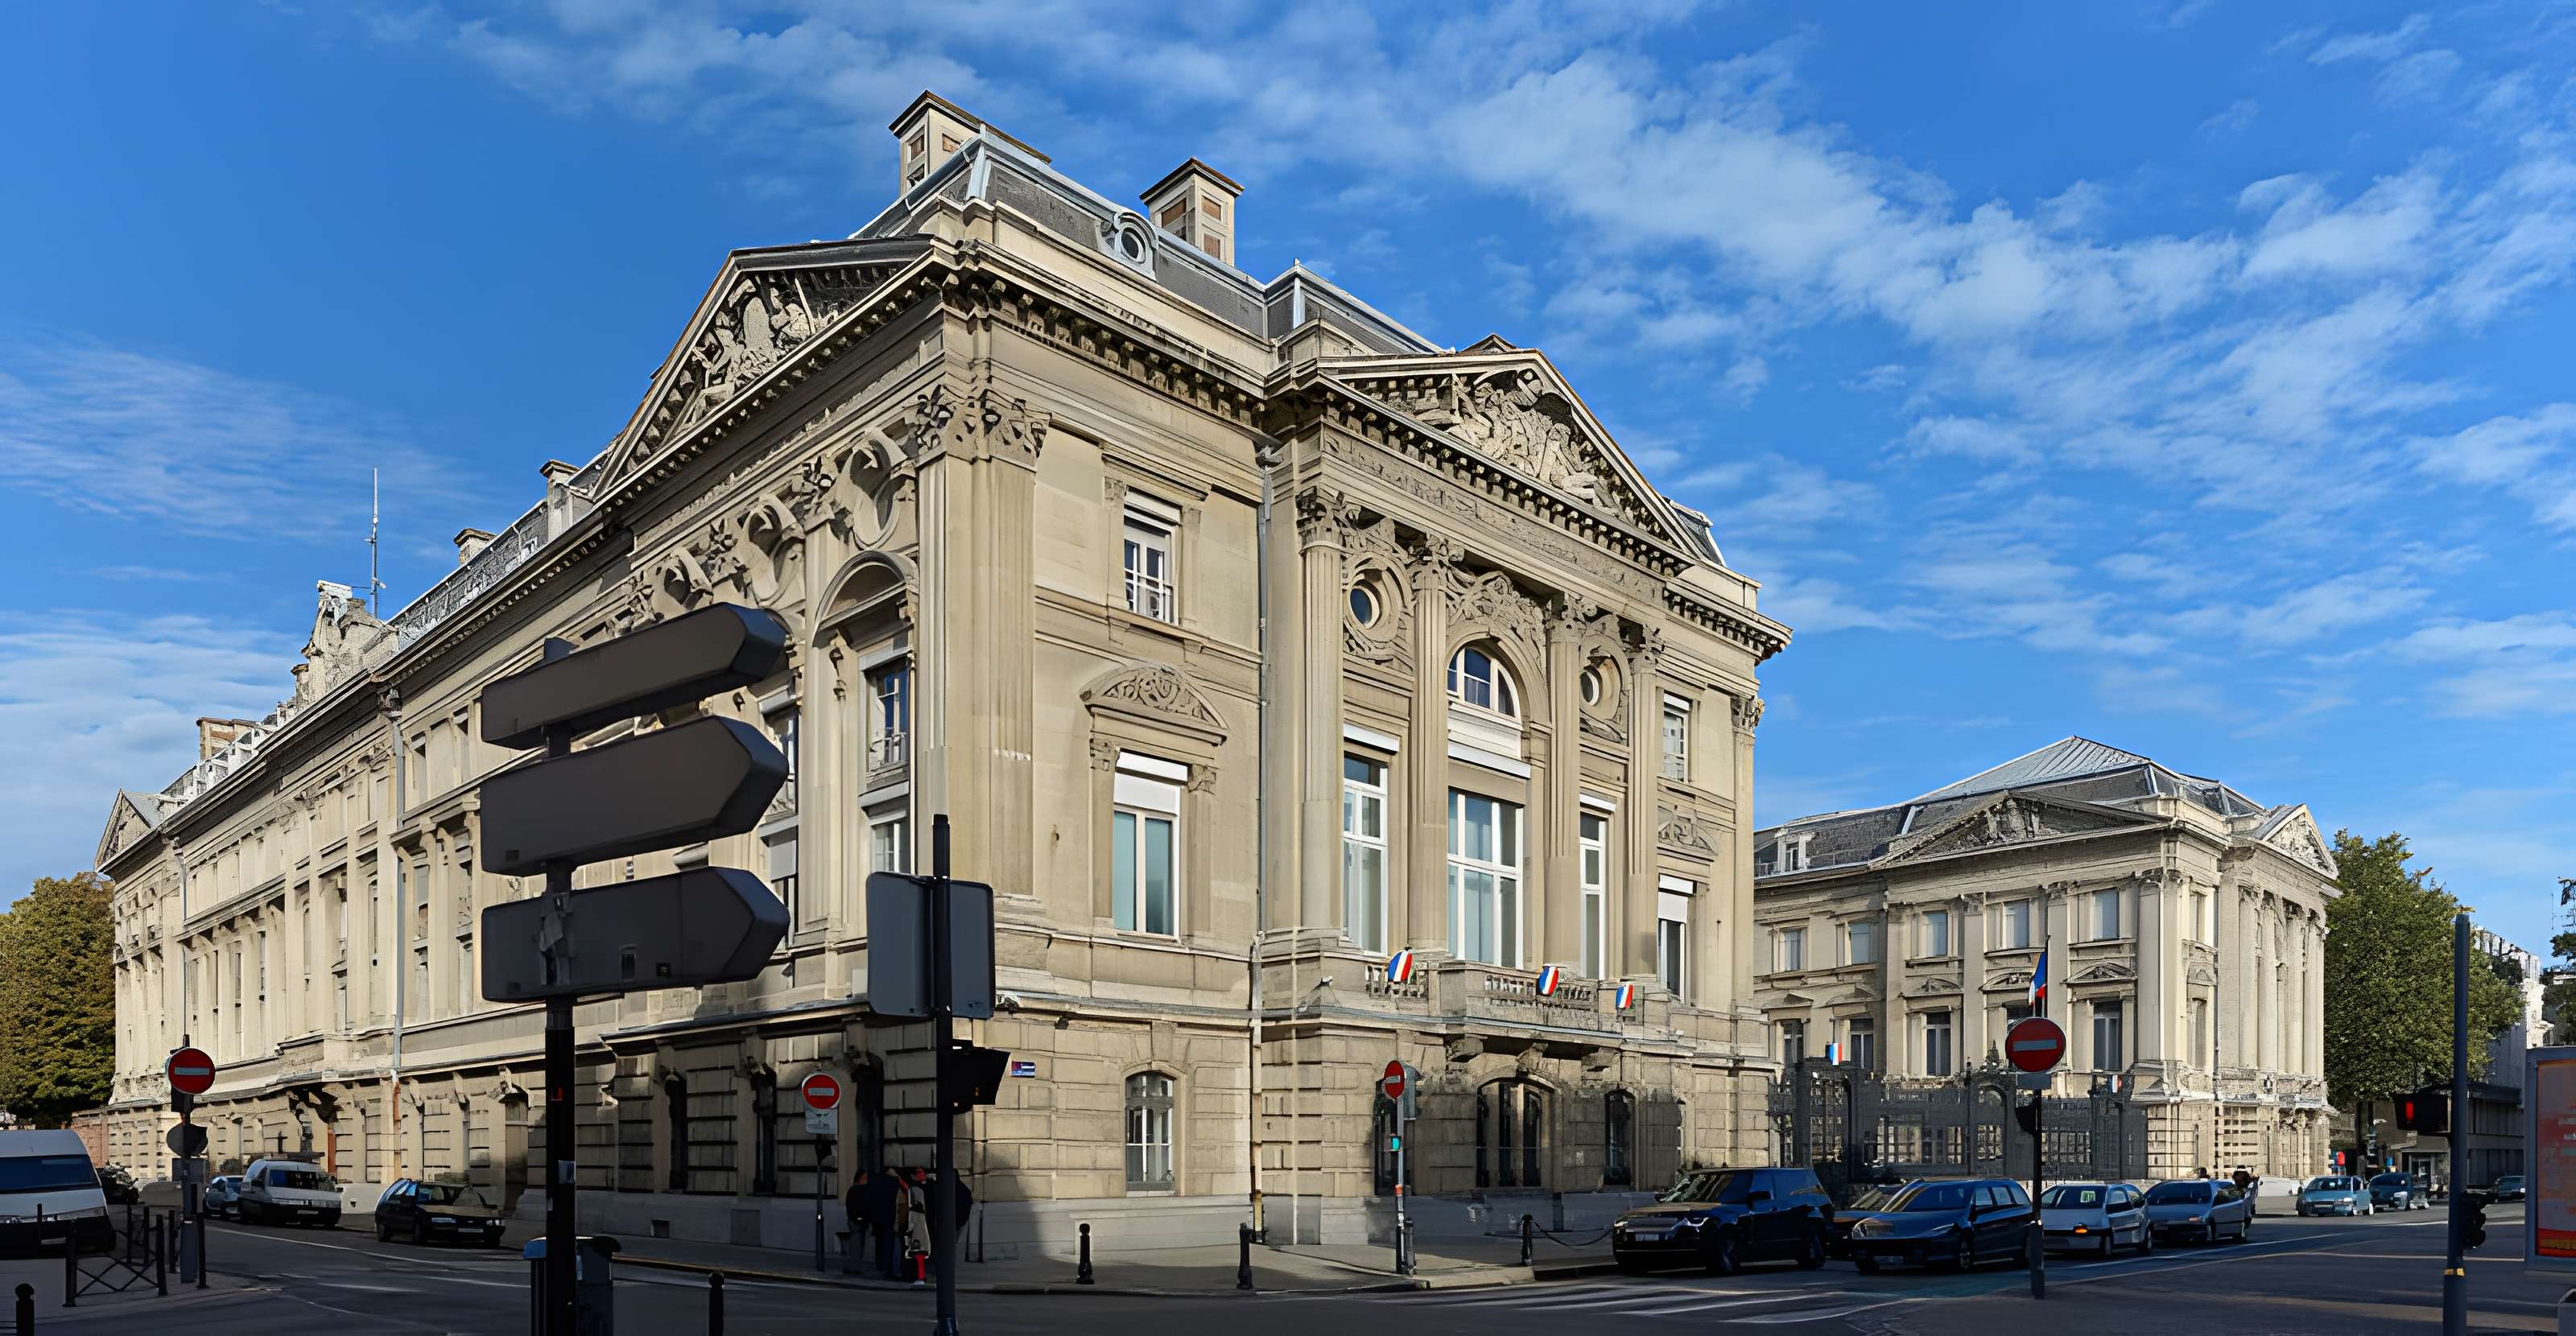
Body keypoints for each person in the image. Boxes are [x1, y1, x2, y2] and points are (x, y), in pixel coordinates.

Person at [863, 1164, 903, 1277]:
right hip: (890, 1217)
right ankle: (888, 1267)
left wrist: (872, 1216)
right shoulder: (894, 1182)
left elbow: (870, 1199)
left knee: (880, 1242)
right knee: (890, 1243)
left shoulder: (875, 1182)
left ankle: (880, 1264)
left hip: (878, 1218)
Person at [903, 1168, 932, 1286]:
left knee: (918, 1253)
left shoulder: (916, 1189)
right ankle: (920, 1276)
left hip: (919, 1224)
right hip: (920, 1223)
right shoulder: (917, 1188)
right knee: (918, 1253)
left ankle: (920, 1277)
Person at [843, 1169, 871, 1276]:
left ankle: (856, 1266)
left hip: (863, 1222)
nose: (866, 1180)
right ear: (858, 1179)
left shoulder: (864, 1190)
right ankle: (852, 1267)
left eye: (866, 1178)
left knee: (860, 1246)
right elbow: (852, 1207)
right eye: (864, 1178)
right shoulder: (854, 1190)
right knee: (855, 1246)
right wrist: (857, 1218)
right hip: (856, 1222)